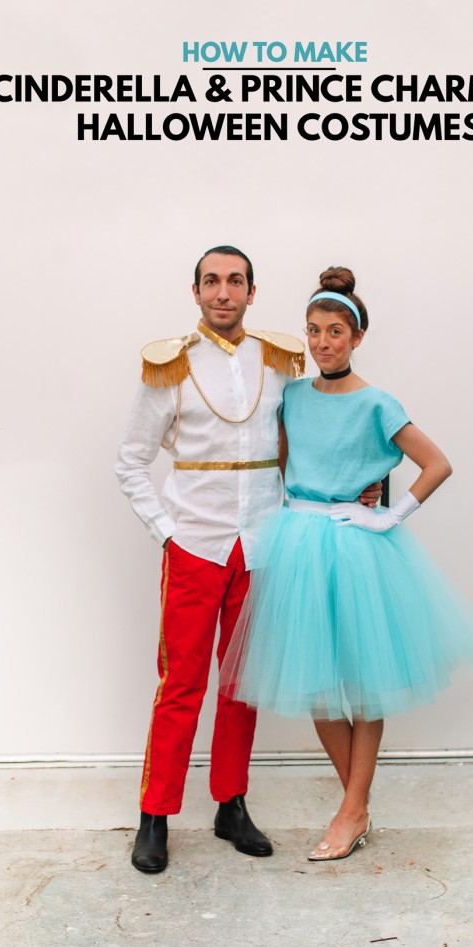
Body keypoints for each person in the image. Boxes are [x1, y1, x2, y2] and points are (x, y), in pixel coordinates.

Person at [115, 247, 381, 874]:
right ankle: (155, 815)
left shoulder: (281, 360)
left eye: (236, 281)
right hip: (195, 546)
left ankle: (230, 804)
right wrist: (165, 532)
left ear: (252, 292)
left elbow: (320, 431)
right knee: (181, 683)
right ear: (196, 291)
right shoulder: (169, 367)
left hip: (262, 545)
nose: (224, 293)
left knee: (242, 686)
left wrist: (358, 485)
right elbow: (130, 459)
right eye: (213, 281)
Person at [221, 266, 473, 862]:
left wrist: (386, 511)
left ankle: (350, 810)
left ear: (357, 336)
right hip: (300, 543)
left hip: (355, 548)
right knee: (319, 687)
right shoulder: (292, 397)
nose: (323, 343)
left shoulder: (378, 401)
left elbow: (437, 463)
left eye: (336, 332)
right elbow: (287, 468)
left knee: (364, 685)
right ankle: (358, 803)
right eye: (314, 331)